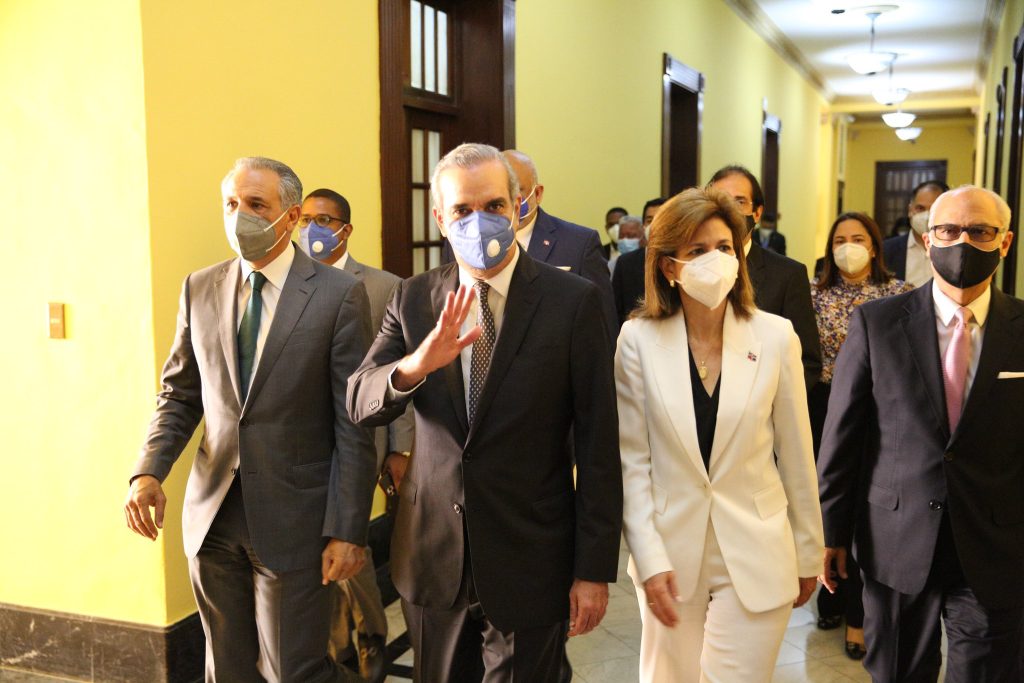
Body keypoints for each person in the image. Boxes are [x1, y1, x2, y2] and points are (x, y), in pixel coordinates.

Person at [347, 143, 623, 682]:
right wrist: (416, 365)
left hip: (532, 552)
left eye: (494, 205)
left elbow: (598, 445)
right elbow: (360, 399)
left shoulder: (573, 302)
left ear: (519, 206)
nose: (480, 221)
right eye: (462, 210)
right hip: (432, 554)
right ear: (440, 219)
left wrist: (593, 570)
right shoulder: (414, 299)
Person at [123, 157, 377, 682]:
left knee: (293, 670)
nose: (241, 216)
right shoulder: (200, 287)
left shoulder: (336, 294)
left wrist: (348, 527)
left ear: (291, 216)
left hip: (296, 520)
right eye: (232, 204)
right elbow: (180, 394)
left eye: (257, 205)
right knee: (228, 668)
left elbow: (352, 422)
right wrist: (148, 470)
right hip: (213, 514)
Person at [617, 187, 823, 683]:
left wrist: (809, 549)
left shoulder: (775, 336)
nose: (716, 260)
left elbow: (796, 452)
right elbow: (632, 461)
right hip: (668, 550)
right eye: (696, 251)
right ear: (669, 266)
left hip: (756, 546)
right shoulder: (638, 340)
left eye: (725, 247)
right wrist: (646, 557)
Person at [818, 185, 1024, 682]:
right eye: (949, 230)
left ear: (1005, 242)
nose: (962, 243)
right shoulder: (877, 324)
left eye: (979, 232)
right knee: (897, 672)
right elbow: (844, 437)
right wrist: (830, 533)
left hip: (996, 545)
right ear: (927, 241)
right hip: (896, 539)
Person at [298, 187, 415, 682]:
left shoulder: (384, 285)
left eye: (324, 219)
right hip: (304, 440)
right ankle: (338, 645)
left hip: (363, 436)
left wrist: (401, 444)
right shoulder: (287, 280)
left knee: (349, 535)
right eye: (304, 218)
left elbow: (400, 370)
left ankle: (369, 636)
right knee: (319, 540)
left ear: (345, 228)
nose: (312, 229)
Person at [808, 211, 912, 661]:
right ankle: (828, 594)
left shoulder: (901, 294)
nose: (848, 246)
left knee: (864, 513)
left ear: (874, 245)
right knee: (827, 507)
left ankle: (859, 614)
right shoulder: (813, 295)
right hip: (823, 410)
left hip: (879, 414)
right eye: (839, 239)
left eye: (858, 238)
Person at [442, 149, 618, 343]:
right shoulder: (461, 243)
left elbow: (602, 326)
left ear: (538, 193)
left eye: (516, 191)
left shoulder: (579, 244)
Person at [708, 165, 822, 391]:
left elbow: (806, 361)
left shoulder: (788, 275)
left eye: (739, 202)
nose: (729, 211)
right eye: (720, 201)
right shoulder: (689, 266)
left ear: (757, 212)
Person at [882, 180, 949, 286]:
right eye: (920, 208)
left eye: (933, 209)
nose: (926, 216)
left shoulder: (956, 250)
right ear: (910, 210)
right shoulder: (886, 250)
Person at [612, 197, 667, 325]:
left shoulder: (679, 261)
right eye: (649, 220)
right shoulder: (625, 263)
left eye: (661, 218)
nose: (655, 225)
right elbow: (615, 310)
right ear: (643, 226)